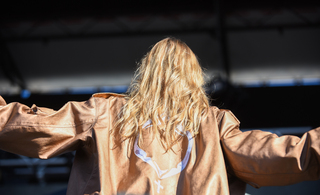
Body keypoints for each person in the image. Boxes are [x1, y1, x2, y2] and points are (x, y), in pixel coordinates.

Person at [0, 37, 319, 195]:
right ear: (195, 77)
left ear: (146, 72)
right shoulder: (213, 123)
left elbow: (27, 126)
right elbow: (280, 155)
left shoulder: (105, 114)